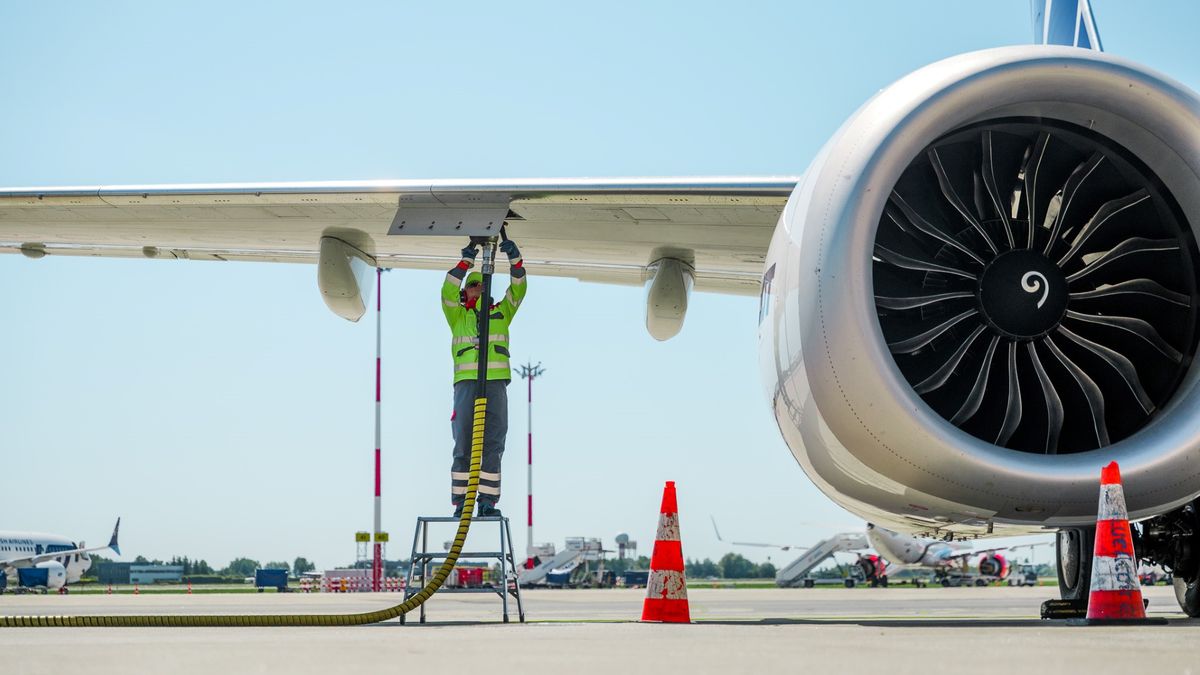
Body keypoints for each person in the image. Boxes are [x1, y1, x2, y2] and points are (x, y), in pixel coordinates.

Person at [441, 237, 527, 517]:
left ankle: (488, 502)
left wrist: (515, 262)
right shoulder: (457, 316)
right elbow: (447, 290)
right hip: (467, 385)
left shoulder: (501, 312)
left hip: (495, 384)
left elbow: (519, 289)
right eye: (473, 285)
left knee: (493, 443)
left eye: (481, 285)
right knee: (464, 443)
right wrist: (466, 261)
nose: (478, 288)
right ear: (466, 291)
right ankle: (461, 502)